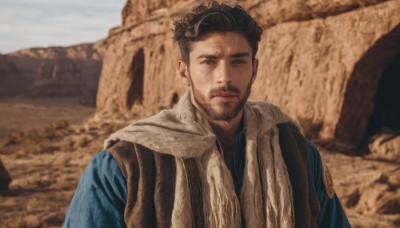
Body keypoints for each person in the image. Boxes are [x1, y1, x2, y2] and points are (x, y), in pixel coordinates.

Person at [64, 1, 350, 227]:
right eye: (208, 62)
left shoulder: (296, 153)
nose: (224, 78)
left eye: (238, 62)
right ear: (184, 70)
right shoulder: (124, 164)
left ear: (255, 69)